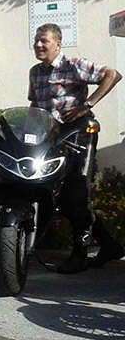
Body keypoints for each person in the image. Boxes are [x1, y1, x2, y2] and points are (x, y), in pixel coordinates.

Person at [28, 23, 123, 273]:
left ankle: (80, 255)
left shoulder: (73, 64)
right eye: (36, 40)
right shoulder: (35, 72)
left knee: (77, 191)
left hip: (80, 133)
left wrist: (87, 103)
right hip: (52, 137)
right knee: (58, 194)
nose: (38, 45)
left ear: (57, 44)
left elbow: (113, 74)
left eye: (44, 41)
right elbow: (35, 105)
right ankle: (109, 245)